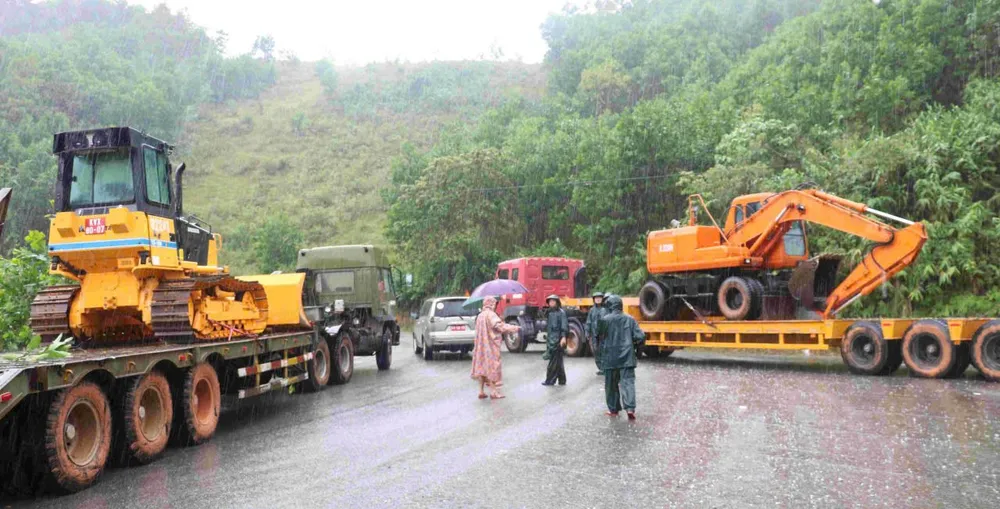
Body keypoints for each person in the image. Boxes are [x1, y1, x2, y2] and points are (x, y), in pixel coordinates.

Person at [596, 294, 645, 420]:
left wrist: (599, 356)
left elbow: (598, 336)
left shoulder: (604, 320)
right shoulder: (630, 319)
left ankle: (614, 409)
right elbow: (640, 337)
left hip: (610, 357)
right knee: (628, 383)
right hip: (627, 357)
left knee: (611, 385)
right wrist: (637, 352)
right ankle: (630, 408)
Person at [470, 296, 520, 399]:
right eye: (495, 303)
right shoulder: (491, 315)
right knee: (492, 366)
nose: (495, 305)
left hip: (481, 346)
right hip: (490, 345)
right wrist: (513, 328)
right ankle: (494, 391)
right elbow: (499, 326)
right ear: (492, 304)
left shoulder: (480, 315)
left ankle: (481, 391)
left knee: (482, 367)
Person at [541, 294, 568, 386]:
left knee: (553, 362)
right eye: (550, 301)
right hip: (551, 340)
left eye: (553, 301)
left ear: (557, 302)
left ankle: (550, 380)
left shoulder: (561, 313)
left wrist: (563, 337)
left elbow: (564, 326)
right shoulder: (549, 313)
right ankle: (562, 380)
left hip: (558, 340)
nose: (551, 303)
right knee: (558, 361)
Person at [586, 291, 608, 376]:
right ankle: (600, 368)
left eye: (599, 298)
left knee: (604, 351)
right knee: (596, 351)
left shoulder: (606, 310)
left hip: (604, 334)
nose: (598, 299)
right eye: (596, 298)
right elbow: (589, 322)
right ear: (594, 300)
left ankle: (604, 368)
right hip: (595, 334)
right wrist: (587, 332)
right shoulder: (592, 310)